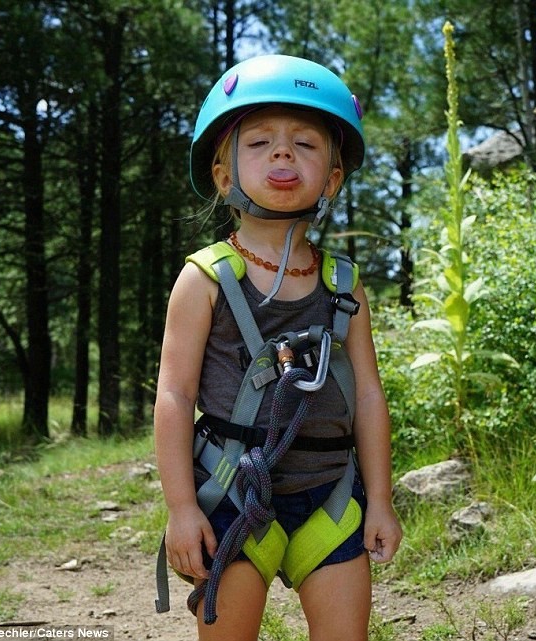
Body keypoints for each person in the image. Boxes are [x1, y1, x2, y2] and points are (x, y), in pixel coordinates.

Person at [154, 54, 402, 641]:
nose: (284, 154)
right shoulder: (206, 278)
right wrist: (182, 509)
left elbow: (368, 393)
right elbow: (174, 393)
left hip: (331, 494)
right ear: (223, 175)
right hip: (231, 493)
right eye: (261, 141)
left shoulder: (345, 284)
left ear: (333, 179)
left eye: (306, 144)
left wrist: (382, 499)